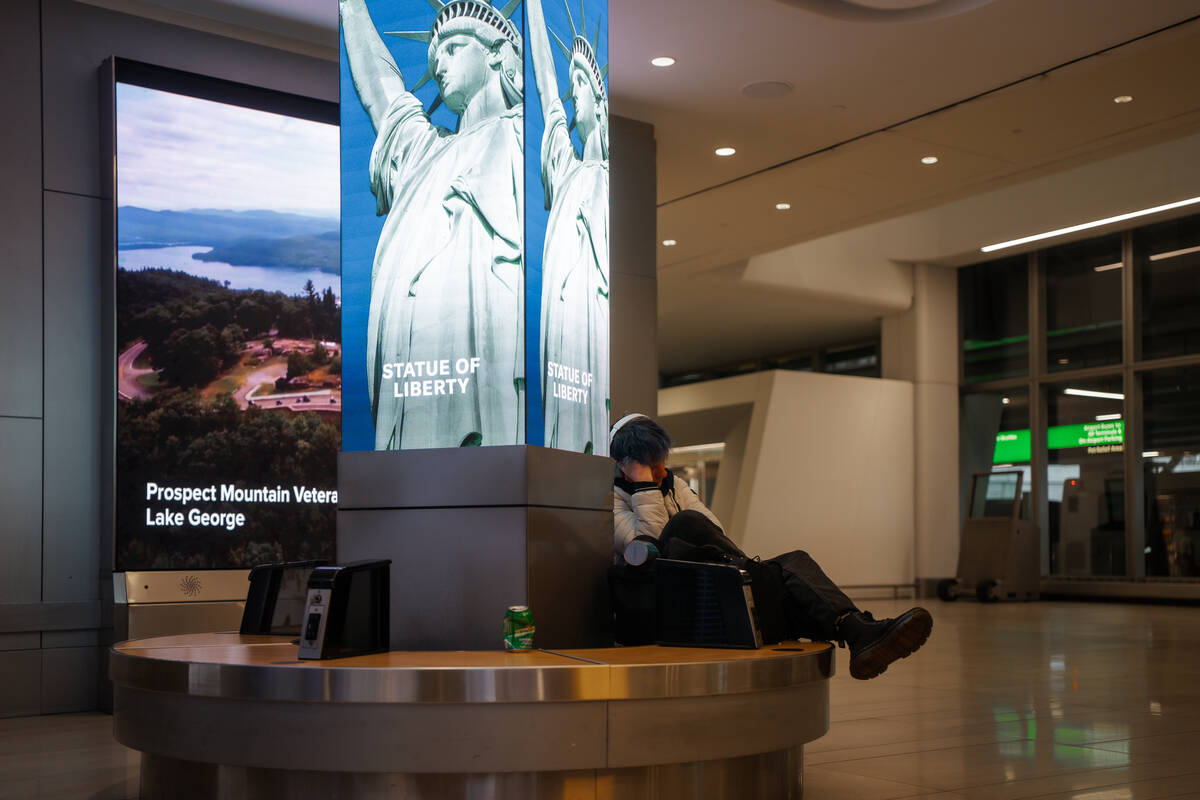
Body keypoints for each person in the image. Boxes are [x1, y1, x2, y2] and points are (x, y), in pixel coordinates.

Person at [610, 413, 933, 680]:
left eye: (662, 462)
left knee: (795, 561)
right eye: (652, 465)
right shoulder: (611, 499)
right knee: (684, 524)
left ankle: (857, 630)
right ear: (626, 466)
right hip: (674, 599)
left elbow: (715, 530)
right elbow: (650, 545)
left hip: (714, 587)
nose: (663, 471)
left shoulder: (675, 485)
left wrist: (654, 483)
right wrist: (644, 487)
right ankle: (853, 628)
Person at [341, 0, 525, 450]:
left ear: (497, 53)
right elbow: (385, 97)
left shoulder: (523, 139)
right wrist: (350, 7)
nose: (439, 63)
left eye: (454, 47)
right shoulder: (428, 153)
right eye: (434, 55)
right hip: (417, 377)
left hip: (491, 367)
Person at [526, 0, 610, 455]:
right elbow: (543, 85)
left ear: (599, 101)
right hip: (560, 326)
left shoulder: (608, 181)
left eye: (579, 83)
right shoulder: (566, 170)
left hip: (592, 327)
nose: (570, 92)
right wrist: (533, 9)